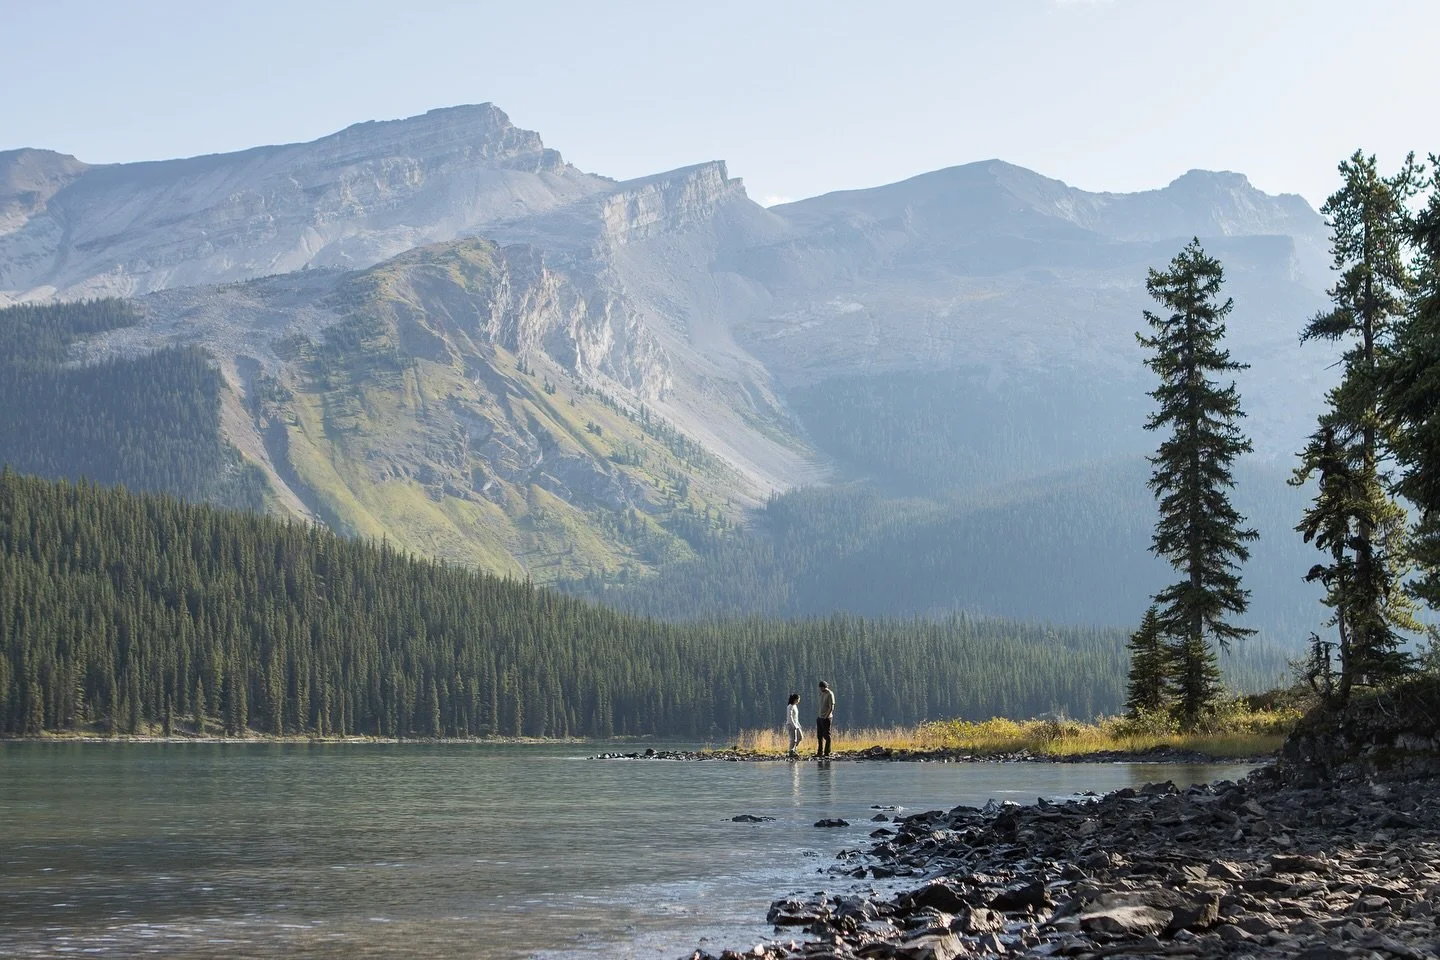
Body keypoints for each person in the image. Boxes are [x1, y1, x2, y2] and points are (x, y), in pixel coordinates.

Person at [816, 681, 835, 758]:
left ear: (825, 687)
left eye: (822, 687)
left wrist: (826, 716)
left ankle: (827, 752)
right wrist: (820, 716)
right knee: (819, 735)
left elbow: (831, 707)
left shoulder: (830, 694)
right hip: (820, 717)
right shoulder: (822, 693)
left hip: (827, 717)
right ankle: (819, 752)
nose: (821, 689)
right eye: (820, 687)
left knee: (826, 735)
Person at [784, 693, 803, 759]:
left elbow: (796, 717)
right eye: (798, 699)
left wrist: (798, 725)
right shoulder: (790, 706)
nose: (799, 700)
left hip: (796, 724)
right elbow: (790, 717)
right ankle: (791, 752)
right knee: (793, 739)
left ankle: (794, 749)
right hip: (791, 724)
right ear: (795, 699)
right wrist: (793, 725)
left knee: (800, 737)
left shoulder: (795, 706)